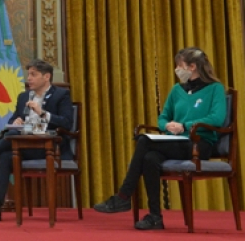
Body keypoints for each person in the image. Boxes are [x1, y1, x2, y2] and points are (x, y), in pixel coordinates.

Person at [94, 47, 227, 230]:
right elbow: (163, 117)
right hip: (176, 141)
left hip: (199, 144)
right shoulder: (176, 90)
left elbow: (217, 118)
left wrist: (185, 125)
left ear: (192, 66)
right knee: (150, 158)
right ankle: (155, 217)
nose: (177, 70)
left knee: (144, 141)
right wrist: (167, 125)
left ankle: (124, 196)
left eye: (179, 66)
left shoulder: (215, 89)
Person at [0, 59, 73, 222]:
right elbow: (14, 119)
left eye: (33, 74)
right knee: (5, 156)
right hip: (24, 145)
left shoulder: (60, 95)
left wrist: (42, 113)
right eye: (28, 74)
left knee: (8, 143)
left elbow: (67, 123)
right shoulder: (24, 97)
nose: (28, 78)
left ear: (46, 77)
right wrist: (15, 122)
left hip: (49, 147)